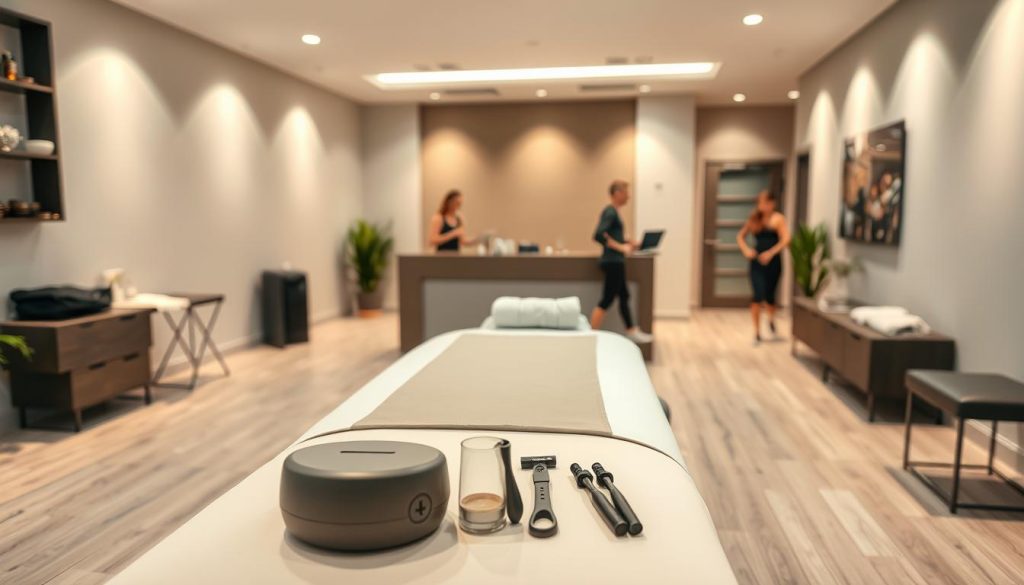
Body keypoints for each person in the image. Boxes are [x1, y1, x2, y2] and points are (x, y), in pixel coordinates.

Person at [589, 180, 653, 344]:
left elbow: (611, 236)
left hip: (616, 261)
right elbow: (599, 235)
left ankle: (631, 330)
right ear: (617, 193)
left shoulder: (614, 212)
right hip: (612, 261)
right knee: (607, 299)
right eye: (626, 192)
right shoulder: (610, 211)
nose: (629, 196)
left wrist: (629, 242)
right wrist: (621, 247)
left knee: (624, 295)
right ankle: (589, 337)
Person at [737, 190, 790, 345]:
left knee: (769, 296)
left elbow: (786, 239)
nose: (763, 206)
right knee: (757, 295)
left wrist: (771, 253)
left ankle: (771, 319)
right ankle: (757, 332)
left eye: (766, 203)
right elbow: (740, 236)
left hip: (773, 262)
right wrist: (746, 250)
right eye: (760, 203)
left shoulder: (778, 219)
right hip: (757, 261)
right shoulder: (754, 219)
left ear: (772, 203)